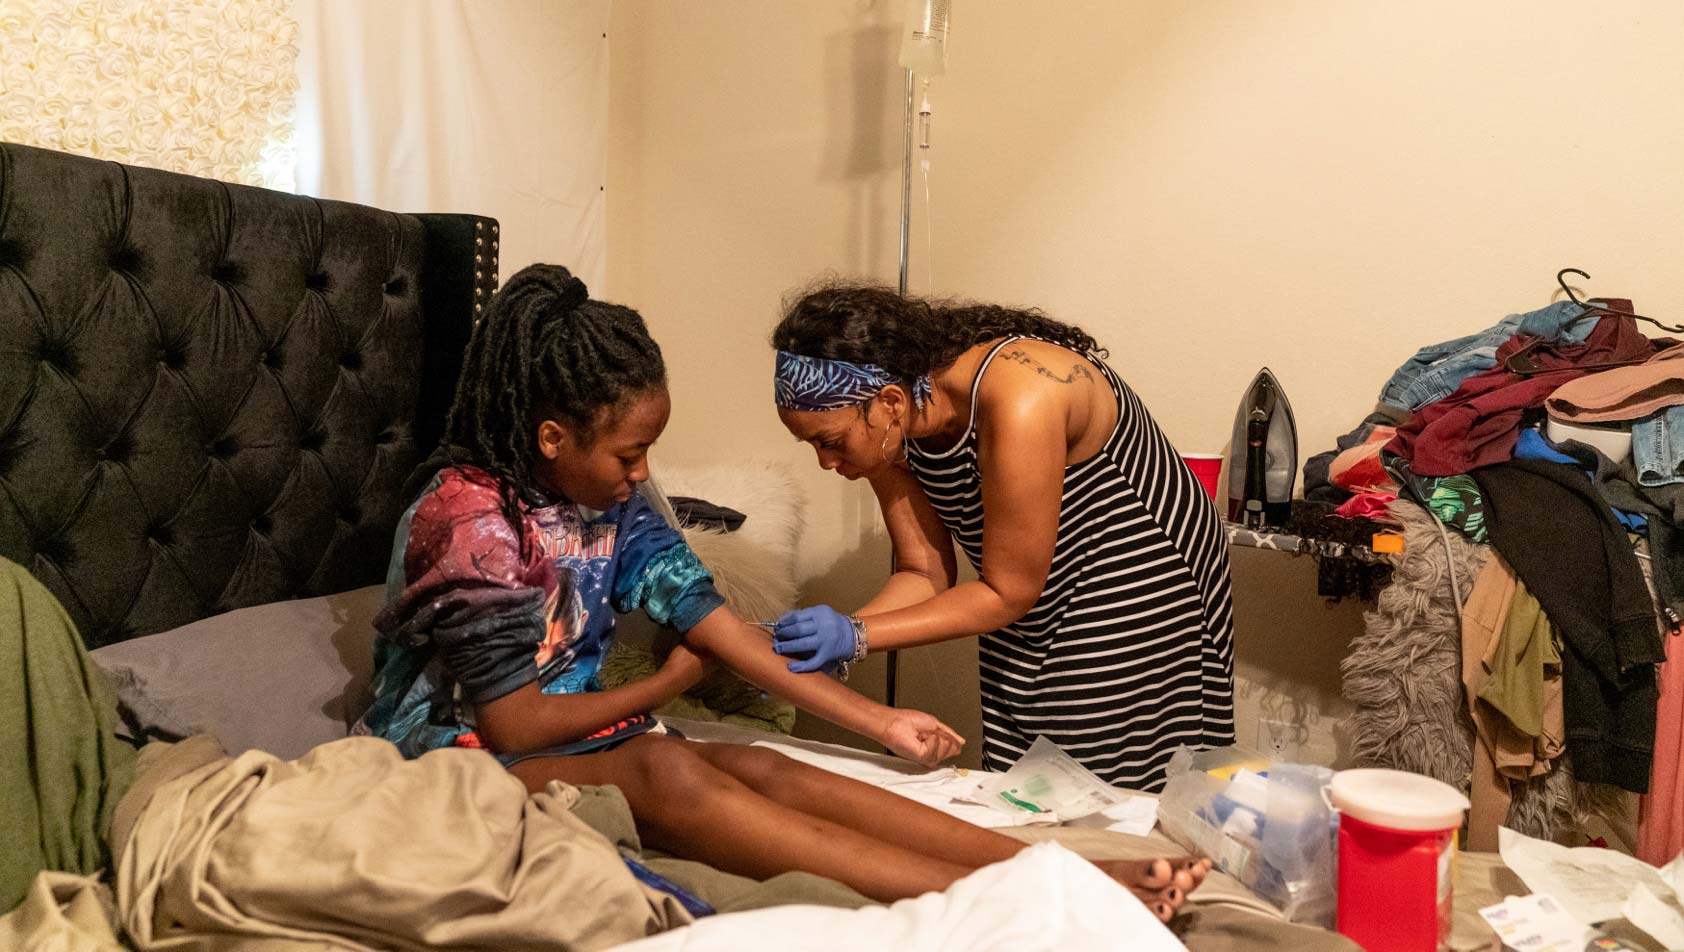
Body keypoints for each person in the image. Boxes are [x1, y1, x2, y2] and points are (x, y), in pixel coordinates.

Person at [354, 264, 1206, 920]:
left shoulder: (616, 504)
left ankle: (1063, 868)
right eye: (629, 455)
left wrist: (877, 716)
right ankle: (1025, 899)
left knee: (765, 765)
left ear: (881, 402)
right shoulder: (473, 522)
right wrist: (666, 686)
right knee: (668, 771)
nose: (645, 476)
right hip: (459, 757)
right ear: (551, 436)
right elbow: (513, 723)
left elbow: (720, 627)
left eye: (650, 451)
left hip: (1126, 577)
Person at [770, 283, 1236, 792]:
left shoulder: (1021, 398)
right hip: (1027, 582)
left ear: (890, 402)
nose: (825, 462)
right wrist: (849, 630)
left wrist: (857, 636)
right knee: (1026, 756)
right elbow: (922, 571)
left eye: (830, 442)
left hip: (1138, 568)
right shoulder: (891, 430)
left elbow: (1007, 592)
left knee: (1103, 770)